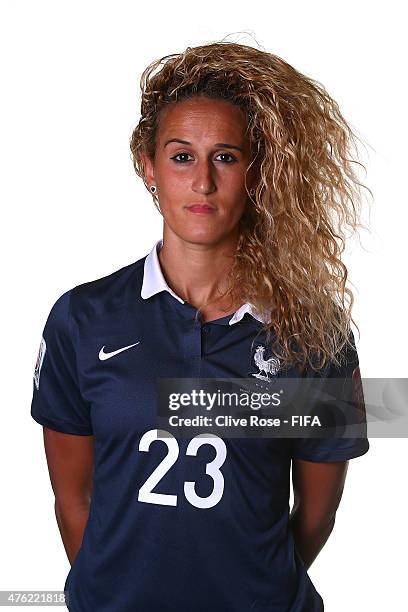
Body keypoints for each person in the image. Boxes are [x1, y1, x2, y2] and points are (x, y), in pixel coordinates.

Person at [31, 40, 370, 611]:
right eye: (182, 156)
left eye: (227, 157)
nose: (203, 183)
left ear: (257, 172)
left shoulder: (315, 332)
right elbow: (73, 498)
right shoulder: (81, 319)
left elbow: (317, 513)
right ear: (149, 167)